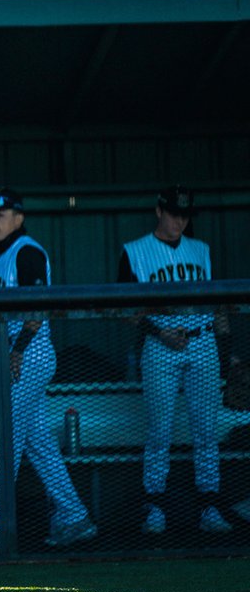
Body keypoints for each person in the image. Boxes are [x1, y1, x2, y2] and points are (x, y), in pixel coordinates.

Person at [0, 189, 97, 552]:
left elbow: (37, 312)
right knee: (40, 446)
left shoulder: (28, 252)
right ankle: (75, 517)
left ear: (19, 217)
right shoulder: (1, 260)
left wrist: (17, 352)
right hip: (15, 358)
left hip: (29, 358)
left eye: (1, 214)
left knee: (3, 443)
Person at [118, 185, 232, 535]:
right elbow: (127, 310)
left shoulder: (201, 250)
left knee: (206, 430)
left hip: (202, 341)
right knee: (159, 430)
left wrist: (228, 345)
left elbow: (218, 305)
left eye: (184, 215)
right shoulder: (135, 251)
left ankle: (209, 506)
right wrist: (159, 331)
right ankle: (154, 506)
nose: (179, 220)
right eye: (173, 213)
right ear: (159, 211)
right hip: (160, 345)